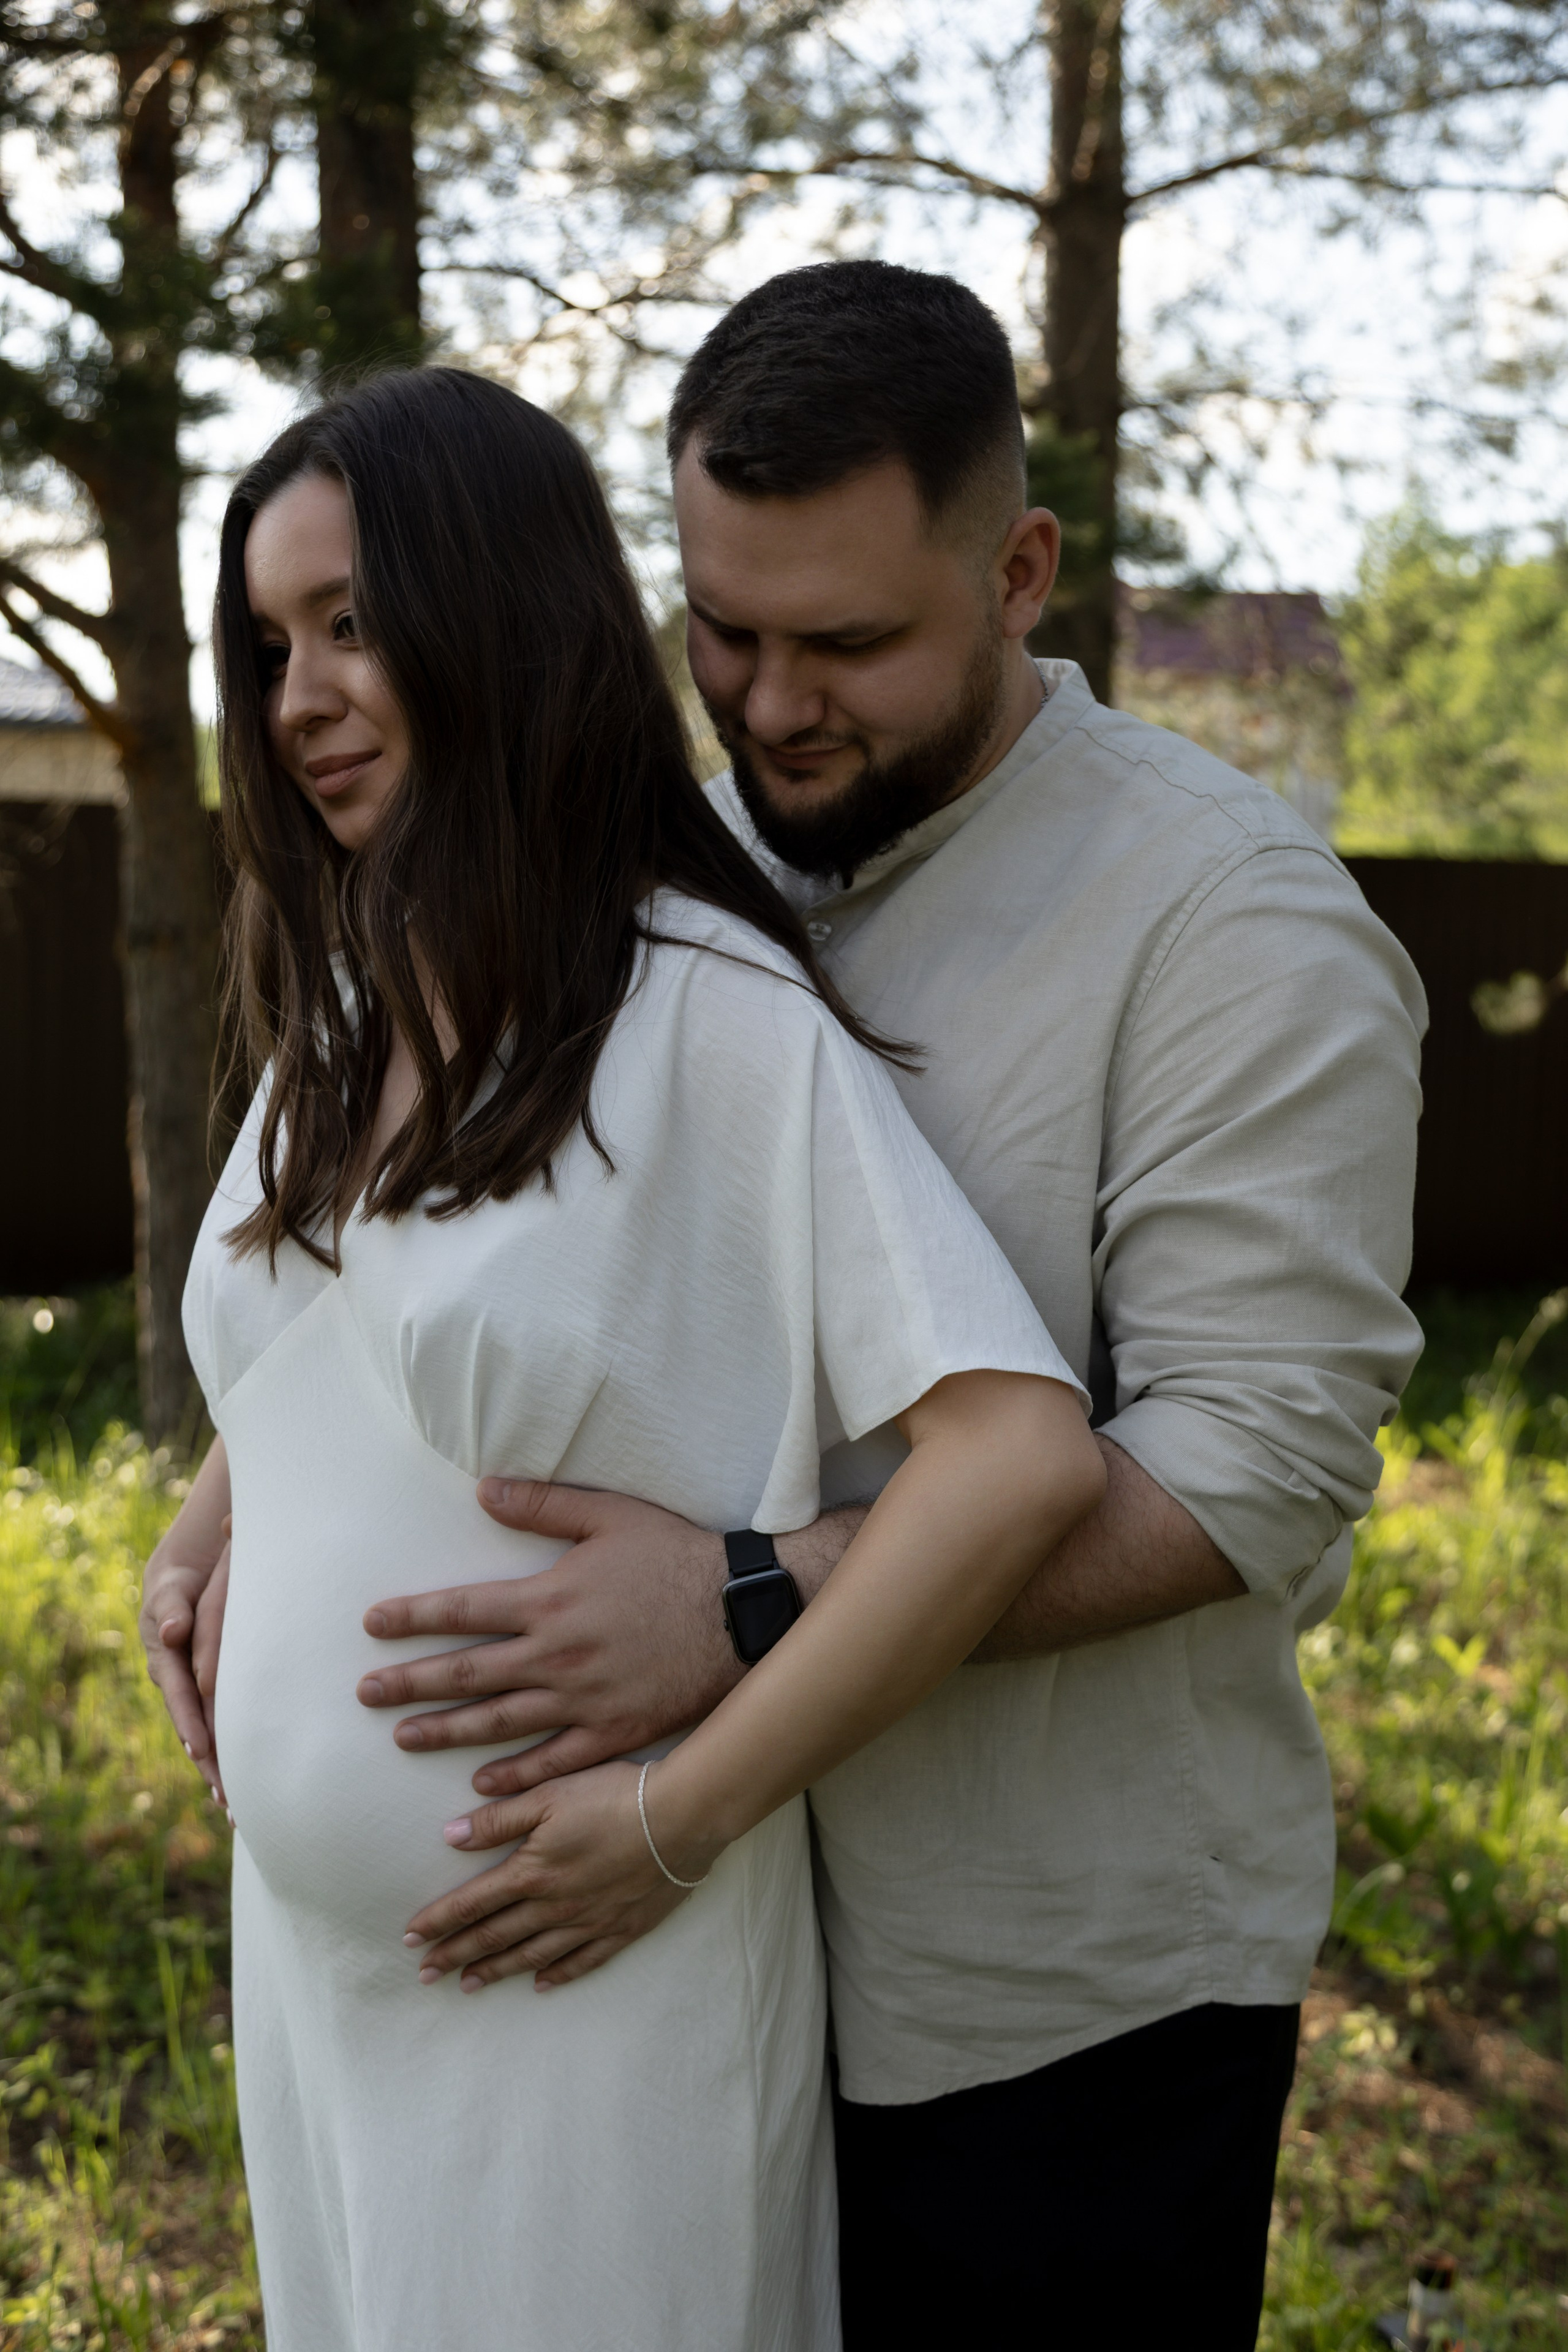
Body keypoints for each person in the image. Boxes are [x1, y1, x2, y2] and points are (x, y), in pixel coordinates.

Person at [146, 266, 1425, 2347]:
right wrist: (252, 1484)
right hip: (680, 1938)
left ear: (1020, 574)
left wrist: (750, 1601)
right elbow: (521, 1254)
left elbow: (1249, 1469)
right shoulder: (688, 867)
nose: (767, 704)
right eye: (721, 637)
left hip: (1032, 1994)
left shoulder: (1229, 925)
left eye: (845, 643)